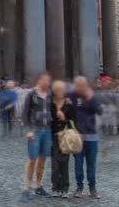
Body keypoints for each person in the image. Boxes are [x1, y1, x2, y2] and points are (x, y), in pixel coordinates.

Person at [22, 72, 53, 201]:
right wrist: (29, 130)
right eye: (45, 80)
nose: (47, 83)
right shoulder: (31, 94)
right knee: (32, 159)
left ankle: (38, 185)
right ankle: (26, 188)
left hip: (47, 129)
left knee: (42, 159)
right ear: (39, 80)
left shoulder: (50, 94)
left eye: (49, 81)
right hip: (35, 129)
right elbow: (25, 113)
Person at [70, 76, 102, 199]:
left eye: (82, 85)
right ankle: (79, 188)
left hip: (91, 136)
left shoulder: (92, 96)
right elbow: (69, 112)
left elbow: (99, 111)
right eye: (77, 85)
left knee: (91, 164)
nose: (79, 88)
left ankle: (92, 189)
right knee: (78, 164)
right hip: (77, 136)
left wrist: (90, 99)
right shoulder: (72, 96)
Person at [49, 80, 76, 199]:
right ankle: (55, 187)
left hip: (65, 136)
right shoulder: (50, 104)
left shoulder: (69, 104)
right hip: (53, 136)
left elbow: (73, 121)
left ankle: (65, 188)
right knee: (55, 165)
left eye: (62, 90)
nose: (60, 92)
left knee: (64, 164)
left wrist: (63, 118)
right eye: (58, 90)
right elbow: (48, 121)